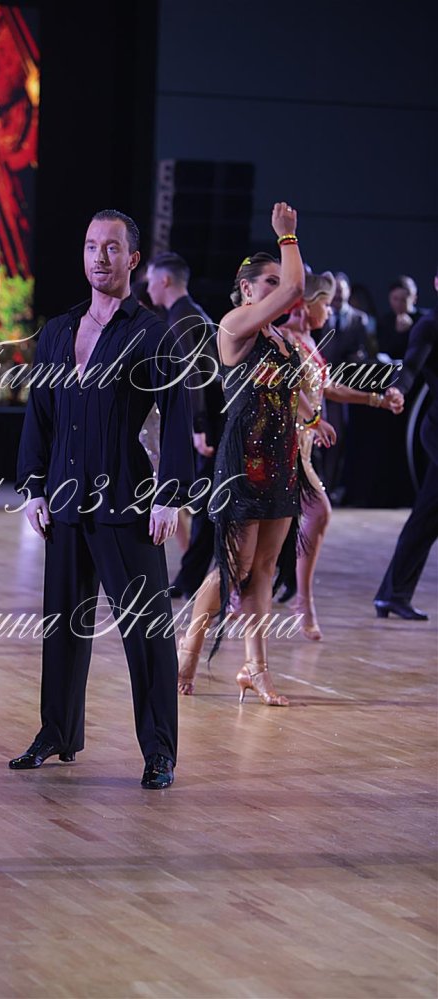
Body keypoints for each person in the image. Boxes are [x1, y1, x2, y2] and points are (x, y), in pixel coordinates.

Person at [9, 209, 194, 789]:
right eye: (91, 246)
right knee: (62, 626)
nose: (99, 257)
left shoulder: (153, 333)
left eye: (111, 248)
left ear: (133, 259)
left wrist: (170, 496)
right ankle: (57, 733)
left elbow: (179, 412)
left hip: (127, 503)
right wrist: (32, 484)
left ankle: (159, 751)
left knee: (148, 634)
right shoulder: (59, 331)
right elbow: (41, 412)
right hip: (65, 502)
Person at [176, 202, 316, 703]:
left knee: (265, 569)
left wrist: (315, 418)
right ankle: (187, 652)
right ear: (247, 289)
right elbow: (297, 288)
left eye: (279, 281)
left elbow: (295, 393)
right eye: (269, 283)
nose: (279, 290)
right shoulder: (235, 324)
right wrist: (288, 236)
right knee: (232, 566)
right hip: (244, 462)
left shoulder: (281, 338)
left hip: (280, 461)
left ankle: (255, 668)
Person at [276, 272, 403, 638]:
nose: (330, 312)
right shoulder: (283, 339)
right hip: (281, 447)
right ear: (306, 304)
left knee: (308, 517)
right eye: (326, 305)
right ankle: (240, 599)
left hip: (302, 449)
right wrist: (314, 420)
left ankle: (299, 601)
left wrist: (376, 399)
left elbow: (326, 387)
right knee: (270, 530)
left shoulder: (307, 341)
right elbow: (287, 388)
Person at [145, 252, 224, 602]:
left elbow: (192, 376)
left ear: (164, 280)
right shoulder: (191, 311)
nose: (148, 287)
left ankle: (192, 578)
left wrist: (199, 425)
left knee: (207, 503)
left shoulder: (181, 316)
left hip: (213, 419)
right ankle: (192, 576)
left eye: (151, 280)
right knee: (207, 502)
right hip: (215, 416)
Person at [374, 269, 438, 620]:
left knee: (427, 517)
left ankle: (392, 595)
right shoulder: (429, 325)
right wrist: (397, 389)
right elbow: (411, 366)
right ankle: (392, 594)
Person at [320, 271, 377, 501]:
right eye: (334, 292)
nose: (337, 297)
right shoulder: (321, 314)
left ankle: (330, 486)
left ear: (348, 292)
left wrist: (358, 358)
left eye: (341, 292)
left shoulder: (359, 319)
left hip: (342, 384)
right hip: (316, 381)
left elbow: (367, 352)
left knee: (337, 436)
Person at [377, 276, 423, 359]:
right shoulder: (384, 321)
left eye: (403, 300)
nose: (398, 304)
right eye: (395, 299)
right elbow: (384, 352)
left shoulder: (424, 320)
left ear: (414, 299)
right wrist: (399, 334)